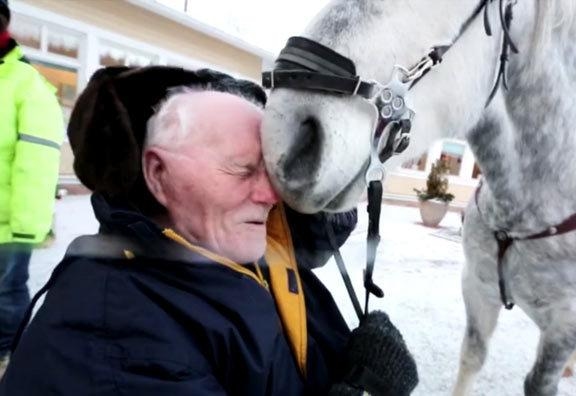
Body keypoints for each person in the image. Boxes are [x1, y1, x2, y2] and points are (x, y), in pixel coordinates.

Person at [0, 66, 417, 395]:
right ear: (158, 173)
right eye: (242, 169)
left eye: (272, 170)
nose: (273, 194)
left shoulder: (237, 251)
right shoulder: (111, 338)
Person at [0, 0, 64, 375]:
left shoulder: (27, 84)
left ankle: (9, 356)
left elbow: (37, 160)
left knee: (7, 293)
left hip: (10, 222)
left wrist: (27, 225)